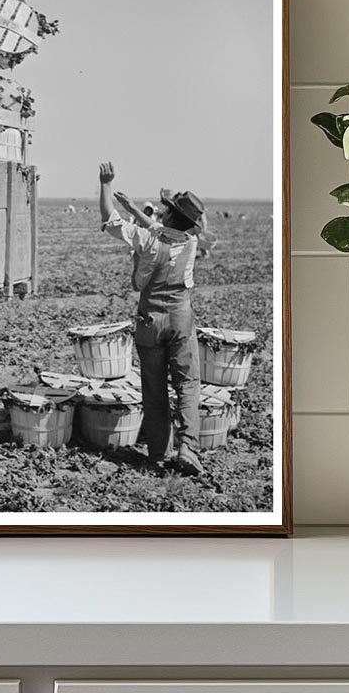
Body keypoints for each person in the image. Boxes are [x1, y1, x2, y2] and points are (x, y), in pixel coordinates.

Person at [98, 161, 206, 477]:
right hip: (180, 319)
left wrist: (106, 185)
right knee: (187, 385)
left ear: (170, 216)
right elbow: (162, 228)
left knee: (154, 389)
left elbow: (110, 220)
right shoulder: (190, 242)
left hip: (149, 321)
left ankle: (159, 453)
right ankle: (188, 448)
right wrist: (134, 207)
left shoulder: (147, 240)